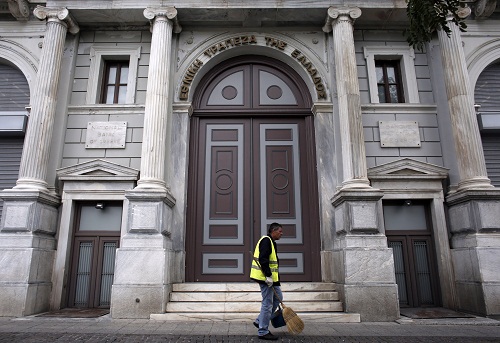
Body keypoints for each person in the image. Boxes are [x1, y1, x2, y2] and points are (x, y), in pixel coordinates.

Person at [250, 222, 284, 341]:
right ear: (273, 231)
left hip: (271, 279)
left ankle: (260, 320)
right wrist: (268, 276)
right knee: (267, 304)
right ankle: (263, 331)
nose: (281, 233)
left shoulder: (271, 242)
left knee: (278, 296)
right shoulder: (266, 241)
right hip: (265, 278)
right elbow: (263, 259)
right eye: (280, 231)